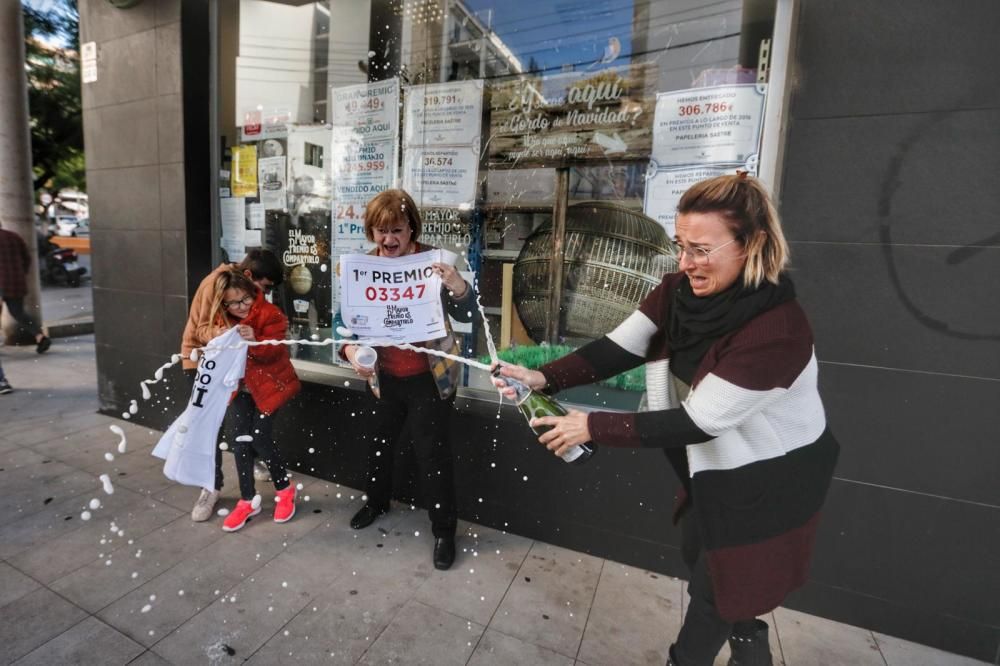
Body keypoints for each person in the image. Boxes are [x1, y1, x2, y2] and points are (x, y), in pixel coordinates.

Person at [494, 174, 839, 666]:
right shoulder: (677, 291)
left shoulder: (776, 330)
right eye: (681, 246)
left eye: (701, 249)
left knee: (715, 588)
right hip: (713, 472)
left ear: (753, 244)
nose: (686, 263)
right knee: (715, 567)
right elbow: (618, 347)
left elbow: (699, 422)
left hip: (770, 480)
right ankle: (750, 645)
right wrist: (542, 379)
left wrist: (590, 426)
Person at [341, 188, 476, 571]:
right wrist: (351, 352)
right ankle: (376, 502)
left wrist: (458, 285)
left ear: (411, 228)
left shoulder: (434, 262)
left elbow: (467, 310)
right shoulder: (363, 267)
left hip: (429, 380)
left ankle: (444, 531)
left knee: (433, 455)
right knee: (379, 447)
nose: (388, 239)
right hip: (384, 379)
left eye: (396, 229)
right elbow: (343, 324)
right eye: (380, 231)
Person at [182, 249, 285, 521]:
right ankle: (211, 488)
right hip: (203, 363)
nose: (263, 294)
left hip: (232, 367)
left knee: (240, 431)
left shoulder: (247, 294)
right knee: (211, 429)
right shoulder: (216, 285)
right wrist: (224, 334)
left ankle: (251, 467)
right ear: (249, 276)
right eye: (264, 287)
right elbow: (200, 330)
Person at [209, 269, 301, 532]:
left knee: (260, 438)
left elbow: (276, 350)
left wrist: (256, 341)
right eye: (233, 303)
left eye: (245, 300)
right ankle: (248, 500)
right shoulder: (222, 318)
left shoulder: (270, 314)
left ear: (253, 293)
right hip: (239, 390)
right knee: (239, 442)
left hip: (270, 387)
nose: (240, 307)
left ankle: (284, 489)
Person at [0, 219, 51, 354]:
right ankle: (40, 336)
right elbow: (27, 258)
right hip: (15, 282)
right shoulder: (14, 237)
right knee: (18, 313)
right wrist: (21, 273)